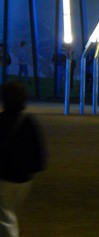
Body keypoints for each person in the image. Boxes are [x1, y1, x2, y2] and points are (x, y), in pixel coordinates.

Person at [0, 80, 47, 236]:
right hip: (24, 180)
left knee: (5, 217)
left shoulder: (1, 121)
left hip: (4, 178)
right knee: (9, 212)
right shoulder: (29, 122)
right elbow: (39, 157)